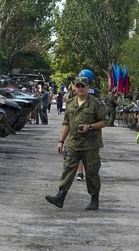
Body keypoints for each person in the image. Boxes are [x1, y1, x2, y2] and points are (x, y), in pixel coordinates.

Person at [45, 76, 108, 210]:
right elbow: (66, 123)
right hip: (73, 143)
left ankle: (94, 200)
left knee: (92, 173)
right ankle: (60, 196)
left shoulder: (95, 103)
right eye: (77, 85)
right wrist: (61, 141)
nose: (79, 88)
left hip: (90, 145)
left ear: (88, 87)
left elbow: (105, 121)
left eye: (82, 86)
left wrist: (89, 126)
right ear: (74, 87)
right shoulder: (71, 103)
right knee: (68, 169)